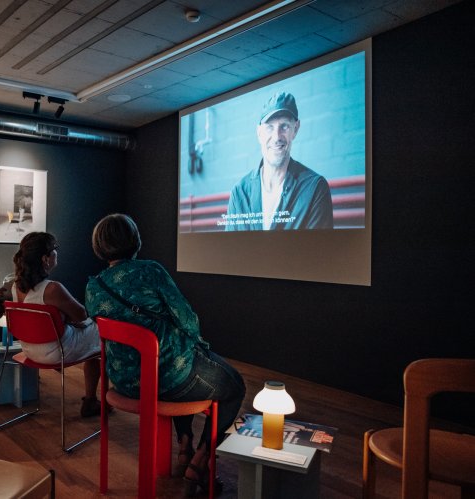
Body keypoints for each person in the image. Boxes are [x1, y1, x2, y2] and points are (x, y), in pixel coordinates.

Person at [85, 214, 246, 496]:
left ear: (99, 245)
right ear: (134, 240)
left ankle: (184, 446)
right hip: (167, 375)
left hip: (125, 381)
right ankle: (200, 460)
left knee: (171, 377)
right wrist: (197, 344)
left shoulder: (94, 286)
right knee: (234, 385)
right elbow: (186, 318)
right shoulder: (150, 271)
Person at [11, 232, 103, 418]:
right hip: (56, 351)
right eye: (55, 250)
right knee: (101, 332)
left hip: (29, 350)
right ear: (45, 259)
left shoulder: (16, 287)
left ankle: (91, 399)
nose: (57, 254)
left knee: (89, 337)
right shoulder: (52, 289)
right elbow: (81, 314)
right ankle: (93, 400)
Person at [226, 92, 333, 231]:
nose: (277, 137)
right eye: (269, 127)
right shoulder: (240, 192)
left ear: (295, 129)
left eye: (284, 126)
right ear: (259, 133)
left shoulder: (314, 189)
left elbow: (319, 251)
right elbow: (231, 250)